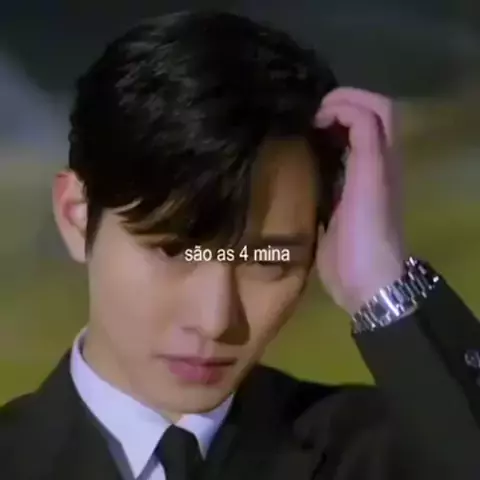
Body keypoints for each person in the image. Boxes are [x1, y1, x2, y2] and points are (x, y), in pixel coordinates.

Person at [1, 10, 480, 480]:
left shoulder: (380, 451)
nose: (215, 320)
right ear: (77, 216)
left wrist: (380, 280)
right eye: (174, 251)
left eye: (269, 260)